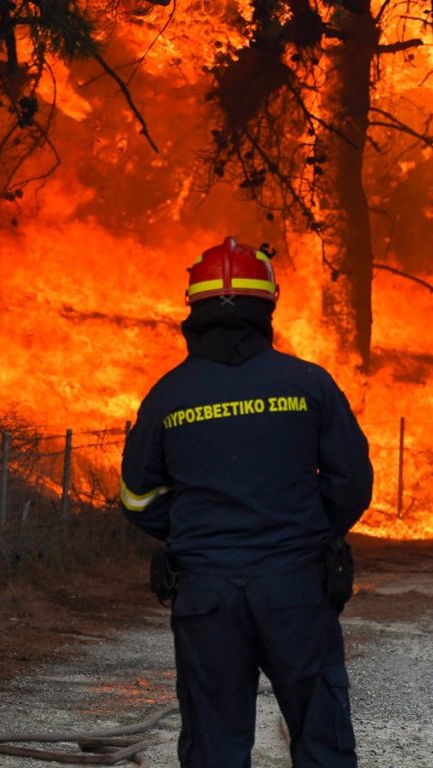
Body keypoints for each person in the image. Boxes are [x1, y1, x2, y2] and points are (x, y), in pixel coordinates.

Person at [119, 236, 374, 768]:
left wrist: (191, 527)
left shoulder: (168, 395)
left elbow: (136, 496)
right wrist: (310, 531)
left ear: (194, 309)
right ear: (268, 306)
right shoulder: (309, 385)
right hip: (297, 589)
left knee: (214, 745)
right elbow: (351, 485)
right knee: (321, 736)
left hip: (206, 595)